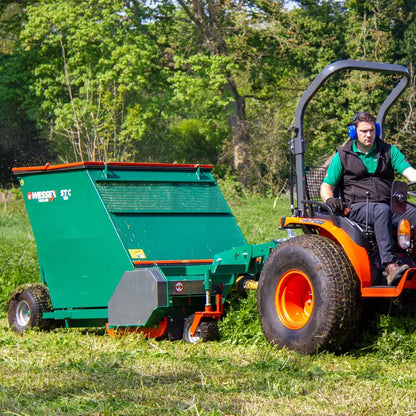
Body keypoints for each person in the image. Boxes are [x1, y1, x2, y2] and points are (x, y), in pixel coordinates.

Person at [320, 111, 416, 286]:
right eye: (364, 131)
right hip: (357, 208)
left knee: (412, 213)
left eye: (371, 130)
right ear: (354, 132)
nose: (368, 135)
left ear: (376, 130)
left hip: (389, 204)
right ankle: (389, 266)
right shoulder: (342, 156)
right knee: (381, 210)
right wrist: (329, 200)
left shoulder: (389, 151)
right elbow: (326, 187)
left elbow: (410, 173)